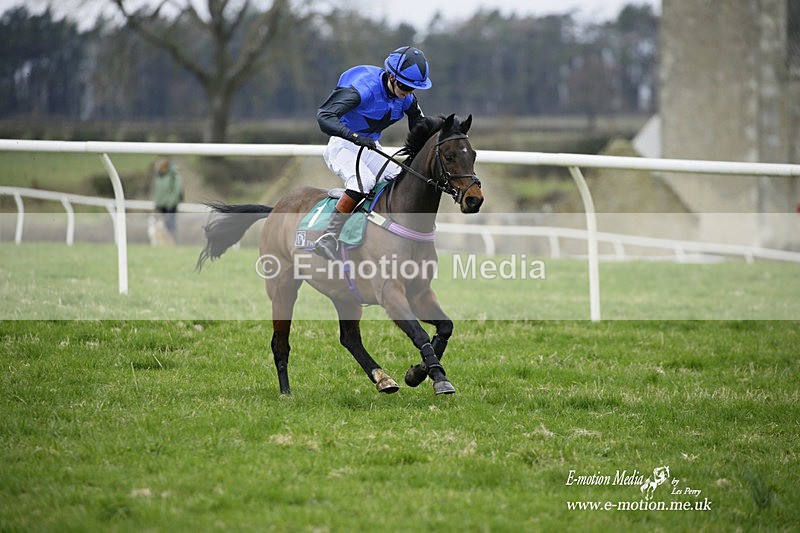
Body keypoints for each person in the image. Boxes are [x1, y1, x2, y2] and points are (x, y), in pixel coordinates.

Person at [313, 45, 433, 261]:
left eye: (413, 88)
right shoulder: (362, 88)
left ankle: (387, 237)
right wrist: (356, 137)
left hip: (370, 146)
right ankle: (328, 236)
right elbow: (324, 116)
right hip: (343, 144)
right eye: (405, 86)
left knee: (400, 180)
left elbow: (419, 124)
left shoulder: (406, 96)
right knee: (363, 183)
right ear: (392, 77)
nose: (408, 92)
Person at [151, 158, 183, 240]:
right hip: (162, 205)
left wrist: (171, 203)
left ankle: (173, 242)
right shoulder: (159, 176)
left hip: (170, 206)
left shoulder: (174, 175)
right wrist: (157, 203)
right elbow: (158, 191)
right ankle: (165, 243)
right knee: (162, 225)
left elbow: (177, 190)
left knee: (171, 225)